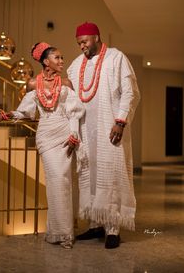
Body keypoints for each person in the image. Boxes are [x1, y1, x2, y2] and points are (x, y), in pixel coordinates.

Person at [0, 42, 86, 249]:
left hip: (64, 134)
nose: (62, 61)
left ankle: (60, 233)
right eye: (57, 57)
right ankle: (61, 232)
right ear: (45, 61)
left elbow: (75, 112)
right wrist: (6, 115)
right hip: (46, 136)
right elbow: (25, 112)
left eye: (62, 58)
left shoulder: (67, 83)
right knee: (55, 181)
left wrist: (74, 134)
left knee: (64, 181)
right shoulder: (33, 84)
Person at [67, 22, 140, 249]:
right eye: (79, 43)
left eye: (85, 42)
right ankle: (95, 224)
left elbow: (129, 92)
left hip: (110, 128)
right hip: (86, 129)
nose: (81, 46)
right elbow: (69, 92)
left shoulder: (116, 58)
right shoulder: (76, 64)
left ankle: (113, 230)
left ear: (96, 37)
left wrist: (120, 121)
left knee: (111, 175)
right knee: (89, 175)